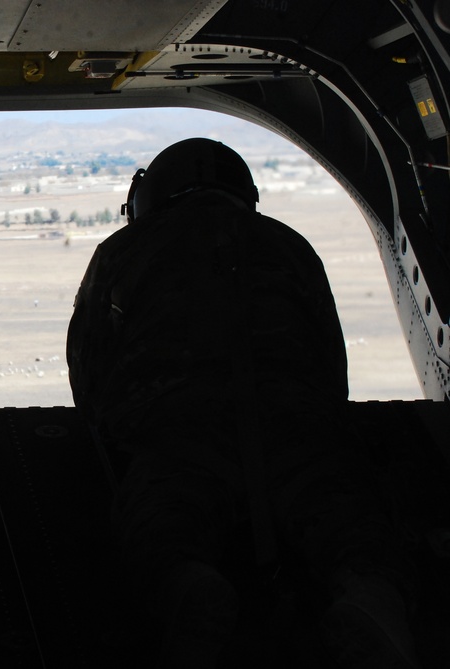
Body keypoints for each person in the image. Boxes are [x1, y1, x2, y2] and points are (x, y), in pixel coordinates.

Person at [67, 138, 420, 669]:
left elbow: (89, 371)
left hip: (180, 435)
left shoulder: (123, 251)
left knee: (161, 528)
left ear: (149, 198)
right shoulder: (288, 244)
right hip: (297, 427)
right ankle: (371, 598)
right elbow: (329, 363)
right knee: (351, 524)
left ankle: (188, 585)